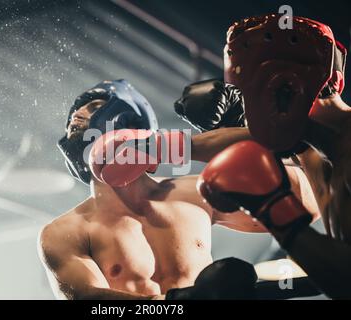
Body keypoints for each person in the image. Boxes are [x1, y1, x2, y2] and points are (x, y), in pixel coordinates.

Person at [37, 79, 319, 300]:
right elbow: (87, 299)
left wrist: (241, 127)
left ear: (131, 121)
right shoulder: (65, 231)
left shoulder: (196, 191)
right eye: (72, 115)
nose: (76, 117)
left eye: (93, 106)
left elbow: (308, 204)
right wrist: (179, 301)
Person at [198, 14, 351, 299]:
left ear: (285, 86)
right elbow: (230, 141)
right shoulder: (314, 150)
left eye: (248, 96)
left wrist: (275, 211)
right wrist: (156, 147)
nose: (247, 112)